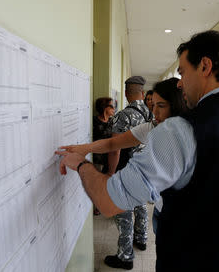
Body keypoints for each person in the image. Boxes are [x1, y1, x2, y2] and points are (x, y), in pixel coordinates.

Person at [57, 30, 219, 271]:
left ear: (205, 66)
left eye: (183, 72)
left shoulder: (181, 130)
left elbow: (108, 201)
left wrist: (81, 164)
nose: (179, 82)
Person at [61, 77, 187, 233]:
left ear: (178, 105)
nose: (154, 112)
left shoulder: (179, 140)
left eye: (161, 106)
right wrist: (84, 148)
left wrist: (81, 164)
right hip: (160, 206)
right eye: (153, 105)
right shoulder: (154, 126)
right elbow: (113, 143)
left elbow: (107, 205)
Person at [106, 75, 152, 269]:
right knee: (140, 203)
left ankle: (125, 257)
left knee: (124, 212)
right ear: (142, 93)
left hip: (126, 171)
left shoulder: (122, 116)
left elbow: (115, 148)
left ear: (126, 93)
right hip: (145, 169)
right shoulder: (152, 112)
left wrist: (110, 173)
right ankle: (141, 239)